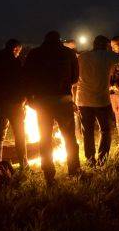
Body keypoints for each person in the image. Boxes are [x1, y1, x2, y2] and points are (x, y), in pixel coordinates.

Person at [23, 31, 80, 184]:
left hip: (43, 102)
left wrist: (30, 98)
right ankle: (74, 170)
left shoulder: (34, 53)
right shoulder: (68, 53)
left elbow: (27, 77)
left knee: (45, 139)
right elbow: (75, 78)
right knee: (69, 137)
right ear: (59, 40)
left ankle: (49, 174)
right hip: (63, 101)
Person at [76, 35, 119, 166]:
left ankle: (90, 160)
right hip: (101, 101)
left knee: (87, 132)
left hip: (83, 100)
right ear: (105, 46)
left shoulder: (82, 57)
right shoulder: (107, 56)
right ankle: (102, 159)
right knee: (105, 130)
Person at [0, 39, 27, 168]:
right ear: (15, 49)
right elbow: (22, 82)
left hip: (0, 103)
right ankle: (24, 164)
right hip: (15, 103)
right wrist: (23, 98)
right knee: (19, 133)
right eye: (19, 51)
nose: (19, 54)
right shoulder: (15, 63)